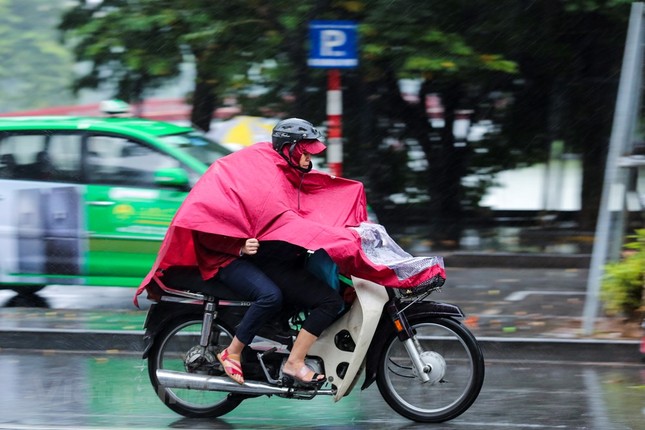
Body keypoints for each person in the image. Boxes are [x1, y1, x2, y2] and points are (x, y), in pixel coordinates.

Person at [193, 118, 344, 386]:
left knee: (329, 294)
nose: (309, 159)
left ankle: (288, 350)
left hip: (283, 258)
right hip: (241, 259)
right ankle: (239, 352)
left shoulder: (293, 176)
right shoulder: (262, 179)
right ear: (289, 149)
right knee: (276, 297)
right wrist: (238, 245)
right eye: (305, 152)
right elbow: (214, 222)